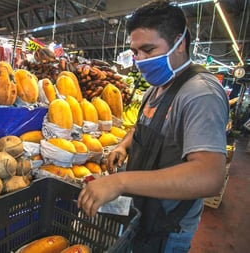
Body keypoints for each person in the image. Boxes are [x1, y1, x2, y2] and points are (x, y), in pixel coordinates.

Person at [77, 1, 229, 252]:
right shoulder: (156, 88)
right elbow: (144, 127)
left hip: (167, 229)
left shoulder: (200, 94)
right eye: (136, 52)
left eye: (149, 50)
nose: (140, 60)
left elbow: (210, 176)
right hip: (141, 215)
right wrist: (124, 146)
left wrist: (120, 182)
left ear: (180, 43)